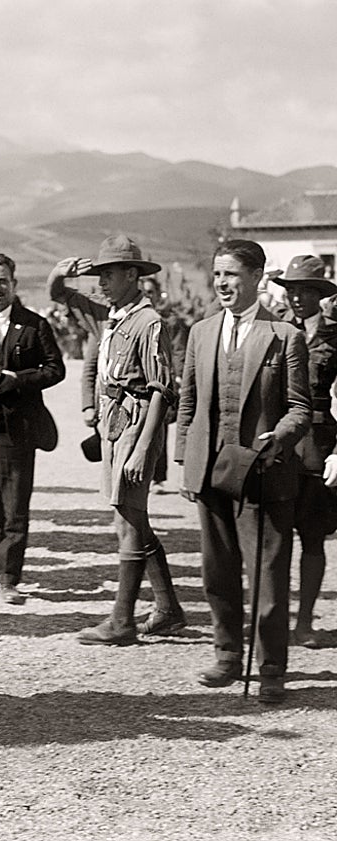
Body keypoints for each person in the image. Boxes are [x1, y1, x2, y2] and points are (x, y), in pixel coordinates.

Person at [177, 239, 310, 704]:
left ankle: (271, 668)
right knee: (218, 572)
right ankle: (227, 655)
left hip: (265, 472)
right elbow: (188, 403)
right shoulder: (201, 332)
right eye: (217, 275)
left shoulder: (285, 336)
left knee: (269, 576)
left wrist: (281, 436)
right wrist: (185, 462)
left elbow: (300, 408)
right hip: (212, 470)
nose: (222, 284)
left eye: (231, 274)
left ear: (256, 276)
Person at [48, 235, 185, 645]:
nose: (101, 282)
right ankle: (167, 609)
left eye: (108, 274)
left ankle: (122, 621)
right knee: (130, 518)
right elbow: (59, 294)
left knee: (128, 521)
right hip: (112, 424)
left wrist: (144, 447)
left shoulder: (148, 323)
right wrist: (60, 271)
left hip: (135, 426)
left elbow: (162, 389)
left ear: (133, 275)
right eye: (98, 275)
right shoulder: (109, 316)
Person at [0, 253, 65, 603]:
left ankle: (8, 577)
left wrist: (20, 379)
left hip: (17, 426)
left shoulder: (34, 325)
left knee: (14, 504)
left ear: (14, 285)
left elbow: (55, 369)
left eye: (3, 280)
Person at [274, 255, 337, 647]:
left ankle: (305, 623)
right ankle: (273, 620)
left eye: (305, 291)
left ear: (320, 295)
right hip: (280, 440)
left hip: (317, 442)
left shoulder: (335, 337)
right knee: (273, 538)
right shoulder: (275, 330)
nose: (297, 298)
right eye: (292, 291)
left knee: (312, 535)